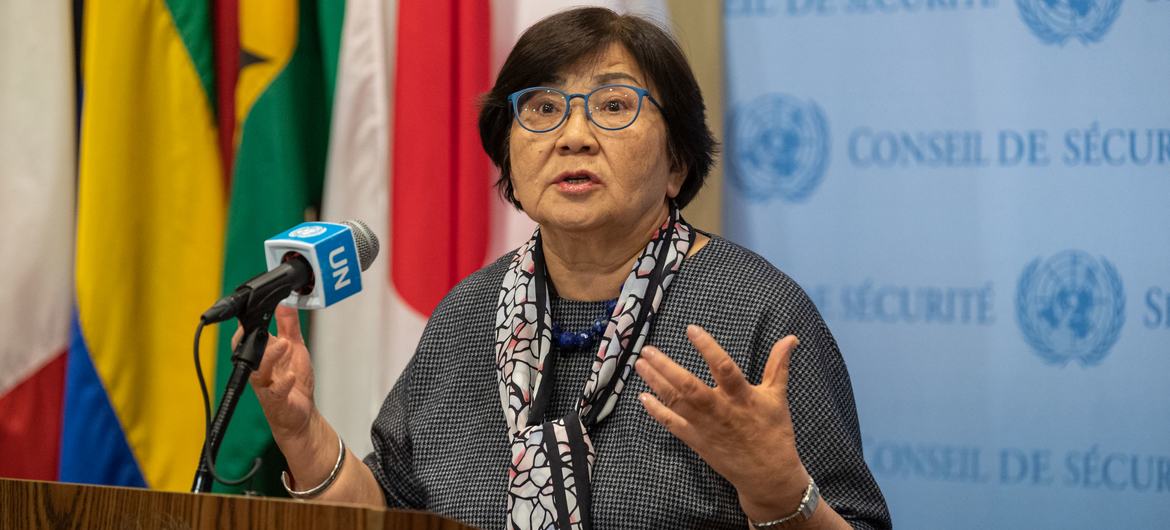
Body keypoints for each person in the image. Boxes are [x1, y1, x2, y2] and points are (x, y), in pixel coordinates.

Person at [245, 7, 891, 530]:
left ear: (677, 166)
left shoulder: (756, 314)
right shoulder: (468, 315)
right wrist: (305, 438)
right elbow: (385, 511)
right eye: (543, 109)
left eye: (613, 107)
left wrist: (782, 496)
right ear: (512, 170)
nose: (572, 136)